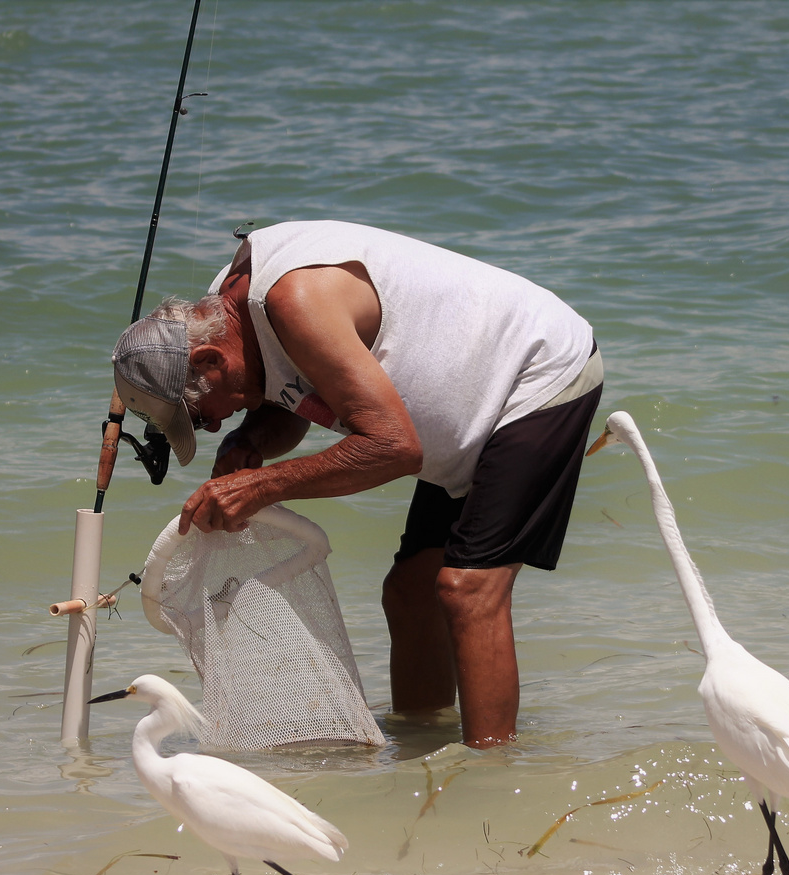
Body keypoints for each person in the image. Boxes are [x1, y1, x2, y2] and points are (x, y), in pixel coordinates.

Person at [109, 220, 602, 747]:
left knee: (468, 590)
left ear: (210, 358)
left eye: (197, 413)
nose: (209, 426)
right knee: (409, 593)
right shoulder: (231, 317)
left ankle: (490, 781)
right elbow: (296, 395)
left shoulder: (295, 301)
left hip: (534, 376)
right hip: (462, 422)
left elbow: (392, 448)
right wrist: (249, 444)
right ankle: (423, 746)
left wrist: (263, 486)